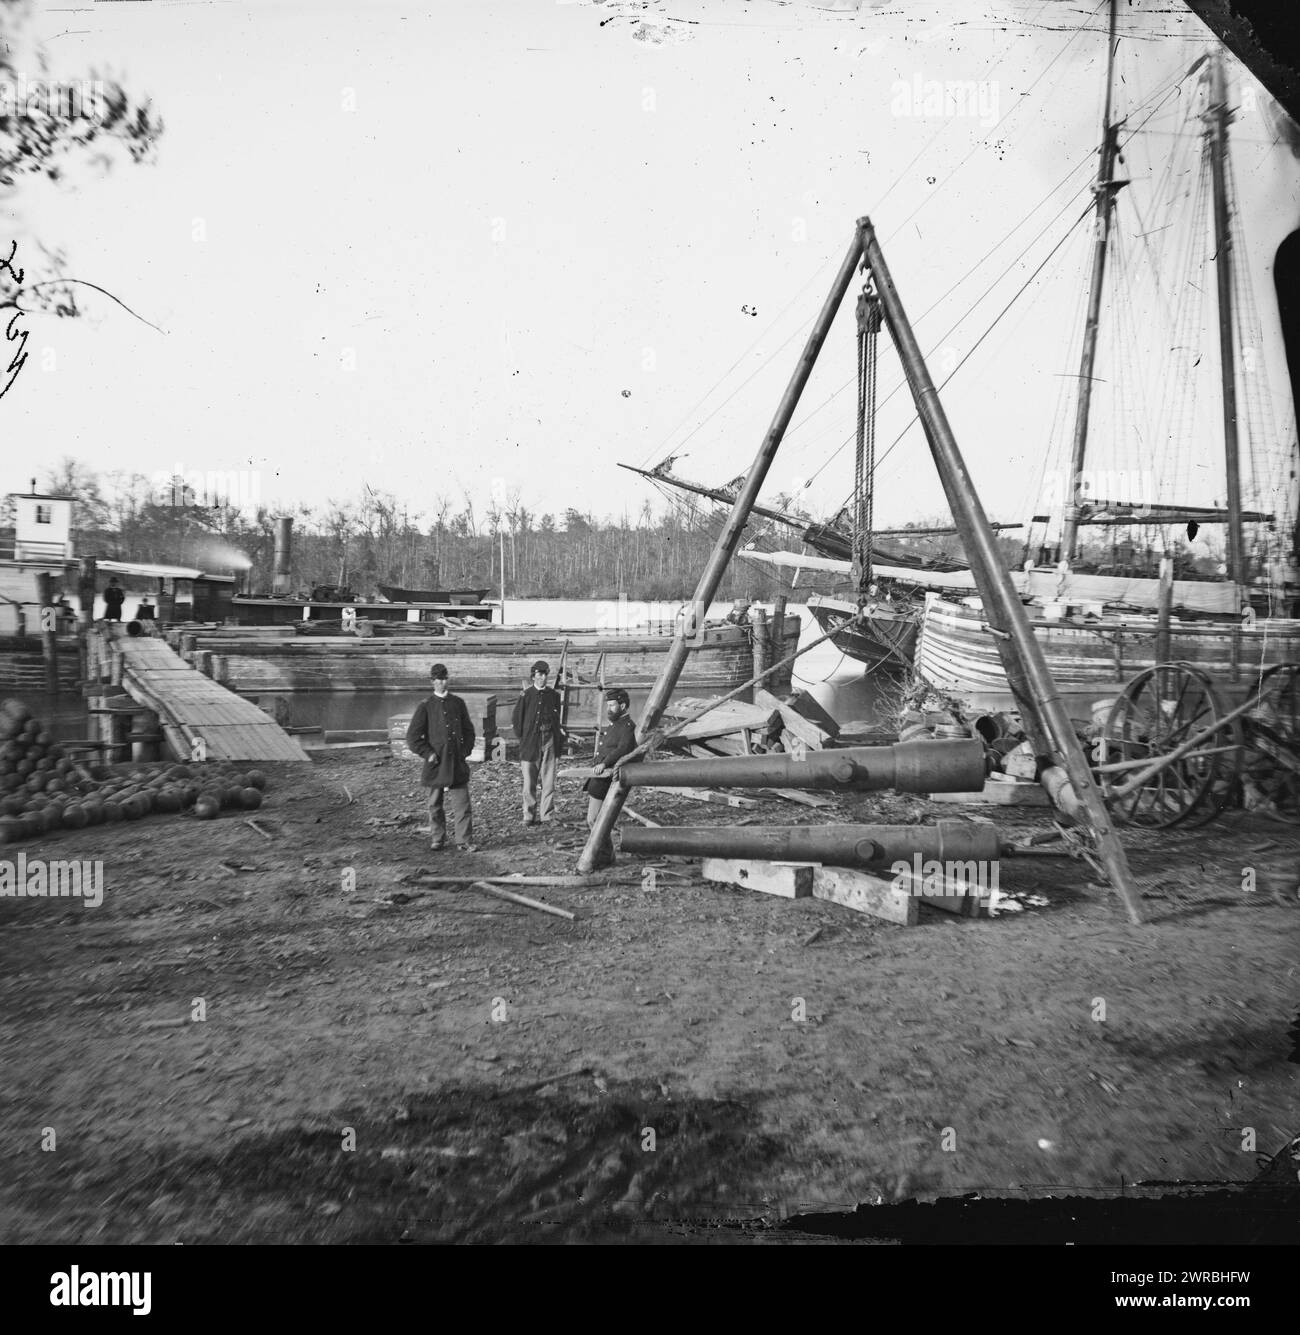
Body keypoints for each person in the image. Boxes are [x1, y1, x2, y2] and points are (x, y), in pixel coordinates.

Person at [406, 663, 478, 852]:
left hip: (456, 762)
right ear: (432, 681)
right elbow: (413, 737)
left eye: (444, 678)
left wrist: (465, 751)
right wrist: (428, 754)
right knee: (434, 804)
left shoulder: (458, 703)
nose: (441, 682)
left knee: (462, 804)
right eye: (438, 679)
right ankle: (438, 838)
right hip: (436, 764)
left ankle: (464, 840)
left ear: (448, 680)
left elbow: (469, 731)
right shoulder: (426, 706)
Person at [511, 659, 565, 826]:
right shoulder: (526, 696)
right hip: (530, 742)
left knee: (548, 780)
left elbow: (557, 720)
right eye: (539, 675)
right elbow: (516, 721)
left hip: (549, 739)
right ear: (533, 676)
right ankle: (529, 815)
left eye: (545, 675)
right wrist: (525, 739)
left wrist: (556, 740)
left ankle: (546, 815)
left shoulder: (554, 696)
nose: (542, 678)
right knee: (529, 782)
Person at [584, 688, 638, 829]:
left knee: (594, 820)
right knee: (596, 820)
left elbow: (623, 749)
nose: (608, 709)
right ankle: (605, 851)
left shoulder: (627, 726)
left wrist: (604, 763)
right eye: (607, 705)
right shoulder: (615, 723)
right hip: (599, 776)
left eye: (612, 705)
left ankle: (605, 851)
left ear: (622, 706)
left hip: (607, 776)